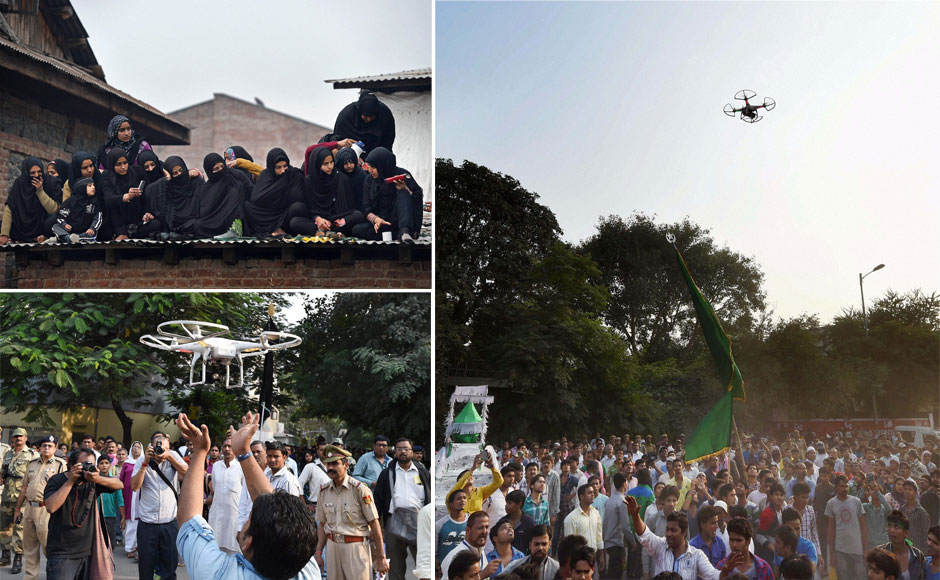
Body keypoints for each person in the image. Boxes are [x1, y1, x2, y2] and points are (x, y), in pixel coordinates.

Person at [173, 411, 321, 579]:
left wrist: (199, 452)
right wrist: (244, 451)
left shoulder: (219, 573)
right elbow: (276, 510)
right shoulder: (307, 571)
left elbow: (189, 522)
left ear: (249, 543)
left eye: (251, 517)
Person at [43, 446, 124, 580]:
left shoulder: (92, 481)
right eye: (83, 464)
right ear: (71, 465)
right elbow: (51, 507)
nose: (87, 467)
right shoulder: (57, 480)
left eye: (91, 464)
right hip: (61, 553)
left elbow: (119, 484)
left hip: (87, 552)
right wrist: (71, 481)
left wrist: (97, 478)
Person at [314, 444, 388, 579]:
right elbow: (322, 524)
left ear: (346, 465)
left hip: (356, 547)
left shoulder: (359, 490)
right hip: (332, 547)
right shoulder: (323, 491)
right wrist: (318, 553)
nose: (330, 468)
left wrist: (381, 557)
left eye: (335, 463)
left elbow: (374, 523)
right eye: (328, 464)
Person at [131, 430, 188, 580]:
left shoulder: (172, 455)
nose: (161, 451)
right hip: (147, 523)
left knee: (169, 567)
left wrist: (169, 456)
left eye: (165, 448)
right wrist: (145, 463)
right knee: (146, 568)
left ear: (169, 448)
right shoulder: (142, 460)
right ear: (150, 446)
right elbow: (134, 486)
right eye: (158, 447)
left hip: (169, 522)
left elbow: (187, 472)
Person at [624, 494, 719, 580]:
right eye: (667, 529)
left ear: (684, 532)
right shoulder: (660, 546)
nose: (668, 534)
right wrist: (635, 516)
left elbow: (713, 575)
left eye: (673, 530)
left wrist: (724, 573)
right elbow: (645, 534)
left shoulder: (696, 556)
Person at [373, 438, 429, 580]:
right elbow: (378, 501)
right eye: (399, 449)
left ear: (412, 451)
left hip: (419, 523)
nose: (402, 452)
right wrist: (377, 525)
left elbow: (429, 497)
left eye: (406, 449)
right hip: (393, 523)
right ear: (395, 452)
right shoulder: (387, 473)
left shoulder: (422, 472)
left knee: (424, 567)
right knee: (395, 568)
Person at [12, 434, 65, 579]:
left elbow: (64, 489)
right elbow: (24, 487)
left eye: (50, 446)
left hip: (46, 509)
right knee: (29, 546)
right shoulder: (32, 463)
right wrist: (17, 508)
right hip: (29, 508)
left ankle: (54, 575)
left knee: (48, 546)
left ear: (55, 448)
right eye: (44, 445)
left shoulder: (60, 464)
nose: (46, 448)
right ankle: (30, 576)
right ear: (39, 448)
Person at [287, 146, 364, 238]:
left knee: (358, 215)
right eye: (325, 164)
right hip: (318, 222)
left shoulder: (342, 178)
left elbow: (350, 208)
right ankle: (323, 232)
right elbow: (310, 207)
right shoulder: (309, 181)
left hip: (337, 221)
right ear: (317, 164)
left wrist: (332, 221)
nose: (330, 166)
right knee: (295, 222)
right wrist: (318, 219)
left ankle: (329, 232)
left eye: (331, 162)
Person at [351, 147, 423, 244]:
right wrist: (376, 219)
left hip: (402, 220)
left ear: (382, 166)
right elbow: (366, 207)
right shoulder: (369, 180)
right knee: (357, 230)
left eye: (373, 167)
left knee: (403, 193)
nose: (370, 170)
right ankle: (396, 234)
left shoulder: (401, 174)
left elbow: (417, 198)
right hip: (382, 223)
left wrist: (405, 188)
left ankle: (404, 232)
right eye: (369, 166)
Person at [244, 148, 304, 238]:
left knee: (297, 207)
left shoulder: (294, 175)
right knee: (247, 206)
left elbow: (297, 197)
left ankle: (281, 229)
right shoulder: (265, 175)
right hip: (268, 213)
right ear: (272, 167)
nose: (283, 170)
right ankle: (273, 229)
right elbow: (256, 199)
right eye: (278, 167)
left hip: (284, 213)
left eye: (285, 166)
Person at [1, 427, 38, 570]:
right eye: (16, 436)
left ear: (25, 438)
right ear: (12, 438)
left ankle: (18, 557)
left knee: (19, 528)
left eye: (21, 436)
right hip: (7, 495)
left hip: (22, 497)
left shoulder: (32, 455)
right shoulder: (8, 453)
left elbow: (34, 475)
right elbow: (3, 471)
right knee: (4, 527)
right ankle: (5, 556)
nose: (18, 438)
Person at [1, 158, 59, 245]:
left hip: (43, 227)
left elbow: (54, 210)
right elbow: (10, 208)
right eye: (32, 173)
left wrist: (40, 191)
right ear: (26, 173)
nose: (36, 175)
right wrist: (4, 234)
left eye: (39, 172)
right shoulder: (19, 184)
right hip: (23, 228)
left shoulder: (50, 182)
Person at [197, 152, 253, 240]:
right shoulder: (206, 188)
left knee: (235, 191)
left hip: (234, 216)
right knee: (198, 225)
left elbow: (250, 191)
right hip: (216, 218)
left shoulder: (236, 176)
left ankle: (235, 229)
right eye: (216, 169)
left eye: (222, 166)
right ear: (210, 171)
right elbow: (205, 210)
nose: (221, 170)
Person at [207, 437, 243, 554]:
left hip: (234, 516)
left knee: (234, 551)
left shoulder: (241, 467)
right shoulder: (216, 466)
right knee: (216, 549)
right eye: (225, 446)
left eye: (230, 446)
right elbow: (215, 488)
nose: (227, 449)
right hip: (217, 514)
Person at [439, 511, 498, 580]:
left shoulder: (480, 550)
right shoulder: (455, 557)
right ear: (468, 530)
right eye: (480, 528)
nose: (484, 531)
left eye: (487, 527)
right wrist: (482, 574)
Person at [47, 177, 103, 244]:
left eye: (93, 185)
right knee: (55, 226)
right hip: (70, 231)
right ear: (81, 188)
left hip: (86, 232)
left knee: (93, 234)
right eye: (89, 185)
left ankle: (70, 238)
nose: (93, 187)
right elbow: (60, 216)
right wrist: (65, 224)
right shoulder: (70, 202)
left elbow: (98, 218)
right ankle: (68, 237)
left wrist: (92, 228)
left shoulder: (95, 202)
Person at [565, 484, 605, 571]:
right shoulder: (571, 518)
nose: (593, 495)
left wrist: (601, 556)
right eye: (589, 493)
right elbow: (569, 544)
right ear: (582, 496)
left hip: (592, 557)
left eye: (593, 492)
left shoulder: (595, 513)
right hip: (578, 560)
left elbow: (599, 536)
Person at [876, 510, 926, 580]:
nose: (891, 530)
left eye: (896, 527)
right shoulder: (880, 553)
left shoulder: (918, 556)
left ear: (906, 533)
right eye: (889, 526)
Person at [603, 472, 635, 580]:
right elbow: (625, 526)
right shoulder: (622, 502)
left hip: (608, 541)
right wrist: (632, 541)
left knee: (611, 571)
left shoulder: (609, 501)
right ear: (625, 484)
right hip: (617, 542)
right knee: (616, 573)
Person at [95, 454, 124, 550]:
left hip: (110, 516)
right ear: (97, 466)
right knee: (96, 543)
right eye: (101, 463)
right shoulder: (93, 480)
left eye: (106, 463)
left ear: (110, 465)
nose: (104, 465)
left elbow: (120, 500)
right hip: (96, 515)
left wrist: (123, 517)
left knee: (110, 543)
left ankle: (109, 559)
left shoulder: (114, 481)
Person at [120, 441, 142, 560]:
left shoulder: (144, 463)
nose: (136, 449)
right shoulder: (126, 463)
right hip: (129, 495)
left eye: (138, 447)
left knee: (140, 520)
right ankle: (130, 547)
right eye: (134, 447)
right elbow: (121, 480)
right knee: (131, 521)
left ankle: (138, 546)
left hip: (141, 494)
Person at [438, 489, 470, 561]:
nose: (462, 500)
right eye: (459, 498)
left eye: (464, 498)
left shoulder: (472, 521)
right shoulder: (439, 524)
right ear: (451, 503)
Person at [901, 479, 930, 554]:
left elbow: (926, 534)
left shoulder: (921, 512)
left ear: (916, 493)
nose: (907, 491)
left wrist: (925, 554)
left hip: (918, 549)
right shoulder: (902, 509)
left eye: (910, 489)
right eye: (905, 489)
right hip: (904, 549)